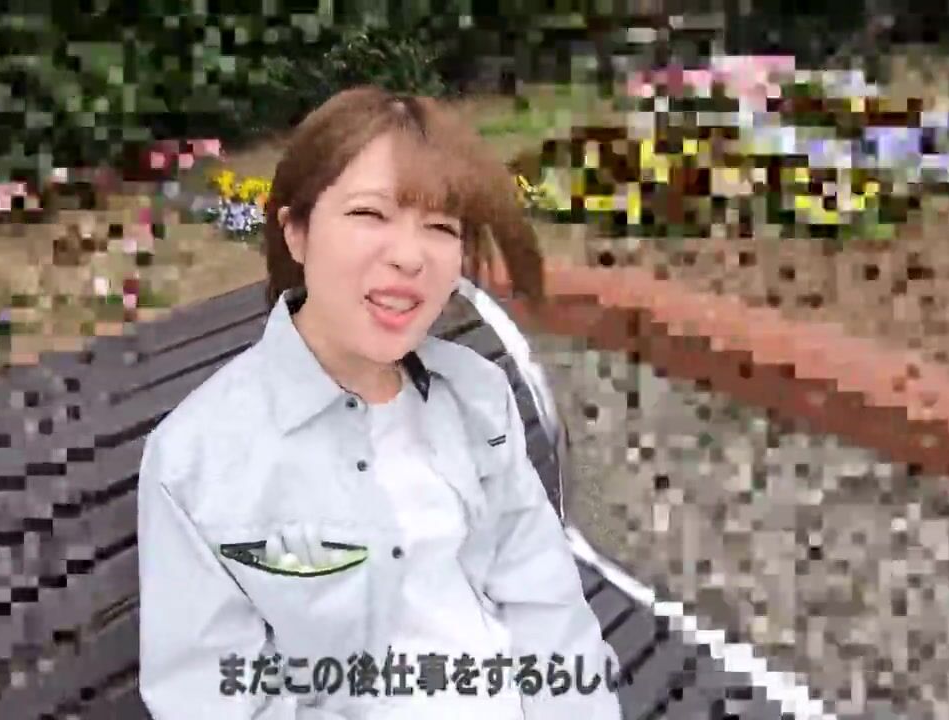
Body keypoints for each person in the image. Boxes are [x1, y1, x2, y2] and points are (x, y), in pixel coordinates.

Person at [137, 85, 623, 719]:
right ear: (296, 233)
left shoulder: (477, 395)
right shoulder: (194, 463)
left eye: (440, 227)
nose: (409, 256)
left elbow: (546, 607)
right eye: (370, 214)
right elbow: (216, 702)